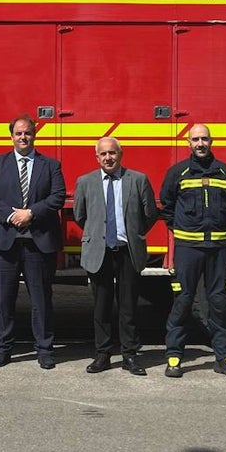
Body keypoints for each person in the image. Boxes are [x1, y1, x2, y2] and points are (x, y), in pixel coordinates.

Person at [159, 123, 226, 379]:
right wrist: (182, 229)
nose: (200, 144)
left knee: (218, 302)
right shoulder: (178, 173)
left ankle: (224, 357)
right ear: (188, 143)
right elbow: (166, 205)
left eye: (204, 139)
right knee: (183, 301)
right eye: (195, 139)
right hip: (188, 249)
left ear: (211, 141)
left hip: (218, 248)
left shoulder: (224, 172)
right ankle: (174, 355)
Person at [0, 115, 66, 369]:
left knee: (41, 300)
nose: (23, 137)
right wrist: (11, 215)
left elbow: (58, 196)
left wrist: (31, 213)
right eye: (18, 133)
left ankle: (44, 349)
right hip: (4, 242)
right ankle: (2, 349)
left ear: (34, 135)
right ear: (11, 136)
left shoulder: (50, 165)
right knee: (3, 299)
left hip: (38, 243)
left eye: (27, 133)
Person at [72, 137, 159, 376]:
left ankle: (130, 355)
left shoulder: (138, 180)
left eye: (112, 153)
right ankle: (103, 354)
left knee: (128, 307)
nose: (108, 158)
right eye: (103, 154)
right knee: (101, 306)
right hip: (99, 252)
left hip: (127, 251)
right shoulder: (85, 182)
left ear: (120, 154)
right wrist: (98, 235)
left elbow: (150, 214)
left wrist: (134, 234)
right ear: (97, 157)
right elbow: (80, 216)